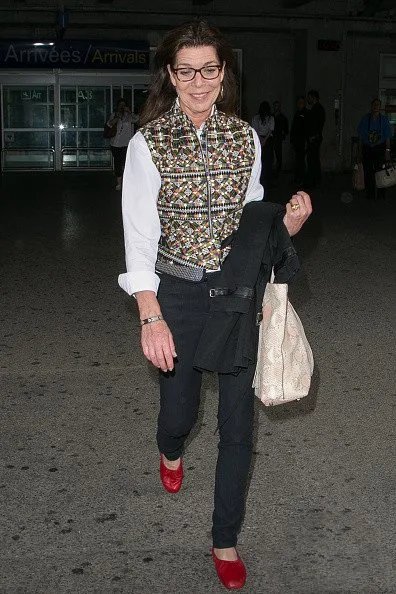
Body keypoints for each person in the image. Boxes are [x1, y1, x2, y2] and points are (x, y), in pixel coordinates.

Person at [118, 20, 312, 591]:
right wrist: (150, 315)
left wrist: (287, 225)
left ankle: (224, 538)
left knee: (237, 427)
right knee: (180, 414)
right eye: (186, 71)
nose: (198, 81)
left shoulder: (244, 139)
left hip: (234, 293)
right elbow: (139, 236)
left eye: (209, 69)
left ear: (223, 72)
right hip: (175, 293)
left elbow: (252, 222)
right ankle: (169, 447)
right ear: (170, 77)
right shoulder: (147, 144)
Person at [357, 98, 392, 199]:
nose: (376, 107)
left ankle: (381, 194)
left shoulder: (384, 120)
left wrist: (387, 151)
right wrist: (360, 151)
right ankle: (370, 194)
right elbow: (360, 136)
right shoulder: (365, 119)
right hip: (367, 148)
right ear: (371, 106)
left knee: (380, 171)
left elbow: (387, 137)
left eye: (378, 105)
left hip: (379, 149)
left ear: (380, 107)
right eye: (374, 105)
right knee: (368, 171)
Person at [105, 98, 138, 190]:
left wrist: (129, 112)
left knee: (126, 163)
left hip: (127, 143)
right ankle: (119, 182)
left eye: (124, 105)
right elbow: (109, 124)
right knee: (118, 163)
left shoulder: (129, 116)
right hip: (115, 143)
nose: (122, 107)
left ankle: (126, 181)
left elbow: (137, 119)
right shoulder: (114, 115)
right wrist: (117, 117)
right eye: (121, 105)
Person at [251, 101, 275, 191]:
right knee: (265, 162)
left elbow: (256, 130)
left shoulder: (264, 118)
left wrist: (262, 140)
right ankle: (265, 182)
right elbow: (270, 130)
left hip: (263, 139)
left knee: (264, 161)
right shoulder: (260, 118)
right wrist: (263, 140)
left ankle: (264, 181)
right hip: (264, 140)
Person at [305, 90, 326, 188]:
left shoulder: (318, 109)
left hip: (314, 137)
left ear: (313, 97)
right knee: (313, 158)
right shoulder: (316, 108)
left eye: (309, 97)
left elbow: (318, 124)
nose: (308, 99)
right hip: (314, 137)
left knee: (313, 159)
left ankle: (314, 181)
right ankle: (314, 180)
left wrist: (314, 136)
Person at [290, 95, 309, 184]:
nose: (299, 104)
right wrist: (292, 139)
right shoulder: (297, 114)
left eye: (301, 102)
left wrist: (306, 140)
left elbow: (307, 128)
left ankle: (302, 178)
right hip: (297, 141)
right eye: (298, 102)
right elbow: (294, 128)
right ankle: (297, 177)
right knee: (298, 160)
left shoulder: (306, 113)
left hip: (303, 141)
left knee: (301, 160)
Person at [272, 100, 289, 177]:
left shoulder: (283, 118)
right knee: (271, 155)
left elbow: (286, 129)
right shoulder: (271, 117)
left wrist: (282, 136)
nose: (276, 108)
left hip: (278, 139)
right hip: (271, 139)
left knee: (279, 156)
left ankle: (278, 172)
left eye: (277, 106)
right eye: (275, 106)